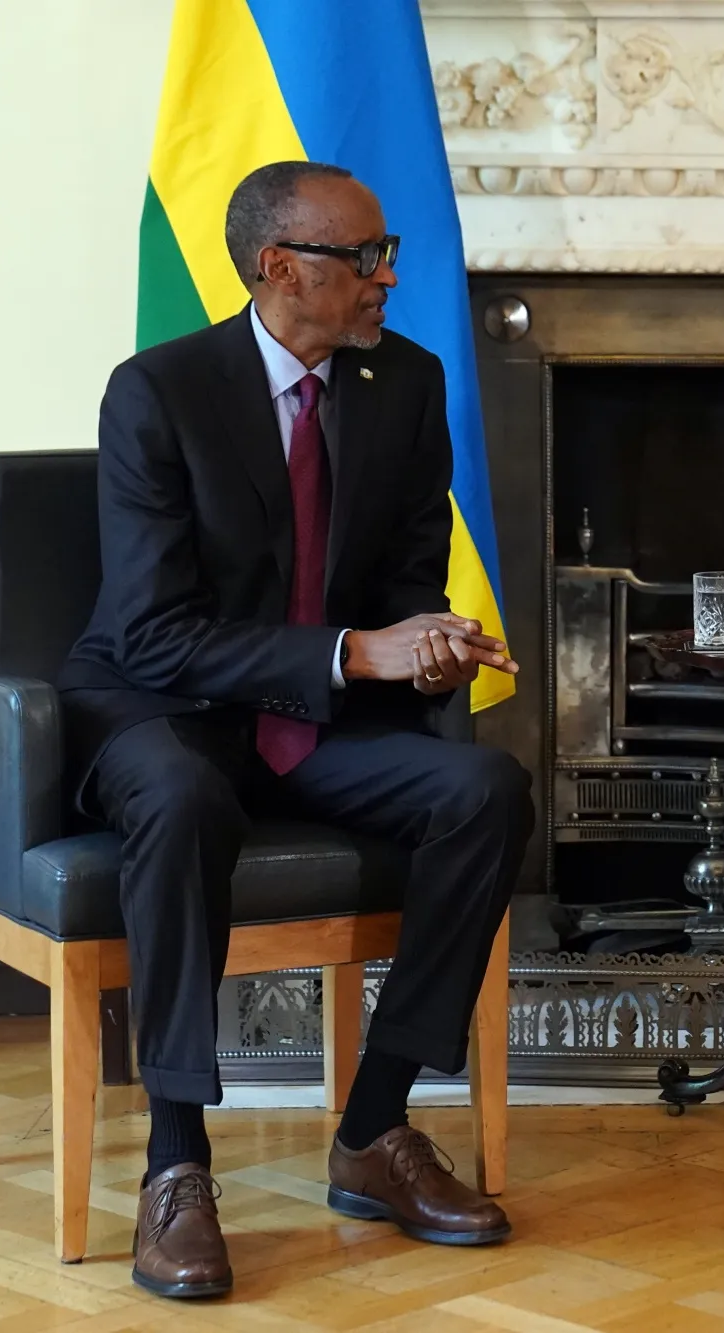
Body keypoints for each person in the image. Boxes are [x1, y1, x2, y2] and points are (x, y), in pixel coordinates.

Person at [58, 161, 534, 1299]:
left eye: (386, 255)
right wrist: (347, 651)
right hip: (165, 709)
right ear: (278, 267)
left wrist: (422, 640)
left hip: (322, 722)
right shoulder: (158, 393)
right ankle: (175, 1164)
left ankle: (373, 1128)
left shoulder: (404, 385)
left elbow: (404, 579)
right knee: (178, 800)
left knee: (486, 792)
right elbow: (156, 633)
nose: (386, 279)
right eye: (360, 258)